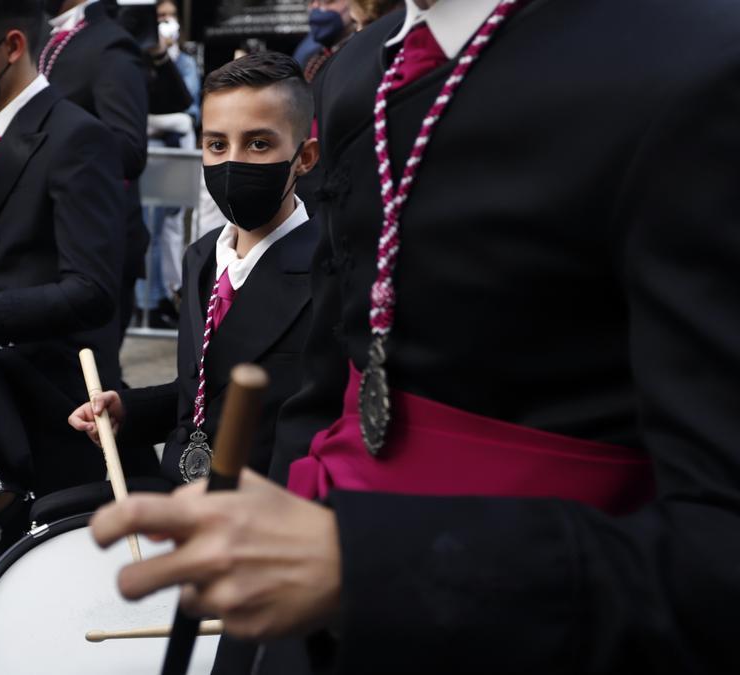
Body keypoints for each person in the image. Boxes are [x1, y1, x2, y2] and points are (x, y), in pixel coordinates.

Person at [91, 0, 740, 672]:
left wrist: (365, 562)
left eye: (258, 144)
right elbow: (329, 381)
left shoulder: (695, 65)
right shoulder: (356, 74)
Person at [0, 0, 159, 550]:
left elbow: (91, 291)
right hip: (12, 399)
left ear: (13, 46)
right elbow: (8, 256)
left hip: (64, 403)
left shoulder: (76, 137)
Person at [70, 51, 317, 487]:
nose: (231, 162)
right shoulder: (202, 256)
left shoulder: (327, 272)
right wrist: (130, 410)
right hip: (181, 497)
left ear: (305, 157)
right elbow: (206, 389)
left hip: (258, 515)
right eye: (216, 144)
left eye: (259, 144)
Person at [40, 0, 151, 339]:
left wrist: (40, 142)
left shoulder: (110, 43)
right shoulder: (48, 36)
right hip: (52, 242)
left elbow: (129, 149)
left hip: (97, 248)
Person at [137, 0, 201, 329]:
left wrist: (158, 121)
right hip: (154, 160)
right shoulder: (141, 61)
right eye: (159, 17)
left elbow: (189, 116)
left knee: (171, 230)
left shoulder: (185, 64)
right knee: (150, 230)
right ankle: (149, 300)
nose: (166, 23)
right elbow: (143, 117)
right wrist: (168, 121)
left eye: (170, 17)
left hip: (176, 157)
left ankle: (167, 293)